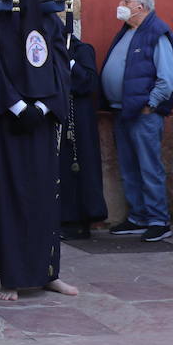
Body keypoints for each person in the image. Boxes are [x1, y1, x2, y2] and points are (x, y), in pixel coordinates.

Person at [0, 0, 78, 302]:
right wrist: (16, 106)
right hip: (7, 124)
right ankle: (12, 277)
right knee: (9, 197)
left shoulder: (49, 21)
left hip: (42, 124)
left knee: (46, 197)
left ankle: (49, 273)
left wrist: (43, 106)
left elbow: (61, 68)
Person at [102, 0, 173, 243]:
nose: (120, 3)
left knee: (149, 167)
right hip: (121, 111)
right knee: (129, 167)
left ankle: (158, 220)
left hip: (144, 114)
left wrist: (151, 104)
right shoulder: (128, 31)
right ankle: (138, 217)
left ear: (140, 7)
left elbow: (167, 79)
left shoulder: (156, 33)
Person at [59, 23, 107, 240]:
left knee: (81, 168)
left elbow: (88, 82)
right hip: (62, 118)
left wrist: (69, 61)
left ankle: (83, 218)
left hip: (80, 121)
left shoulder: (83, 50)